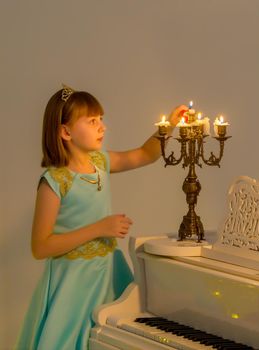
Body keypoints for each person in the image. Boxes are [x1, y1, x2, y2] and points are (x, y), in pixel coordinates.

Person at [15, 85, 187, 350]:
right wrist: (99, 228)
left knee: (114, 340)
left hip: (107, 273)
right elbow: (41, 247)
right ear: (65, 132)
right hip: (74, 282)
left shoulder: (101, 162)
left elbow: (145, 154)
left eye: (101, 119)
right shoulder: (55, 181)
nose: (102, 127)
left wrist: (169, 126)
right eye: (92, 121)